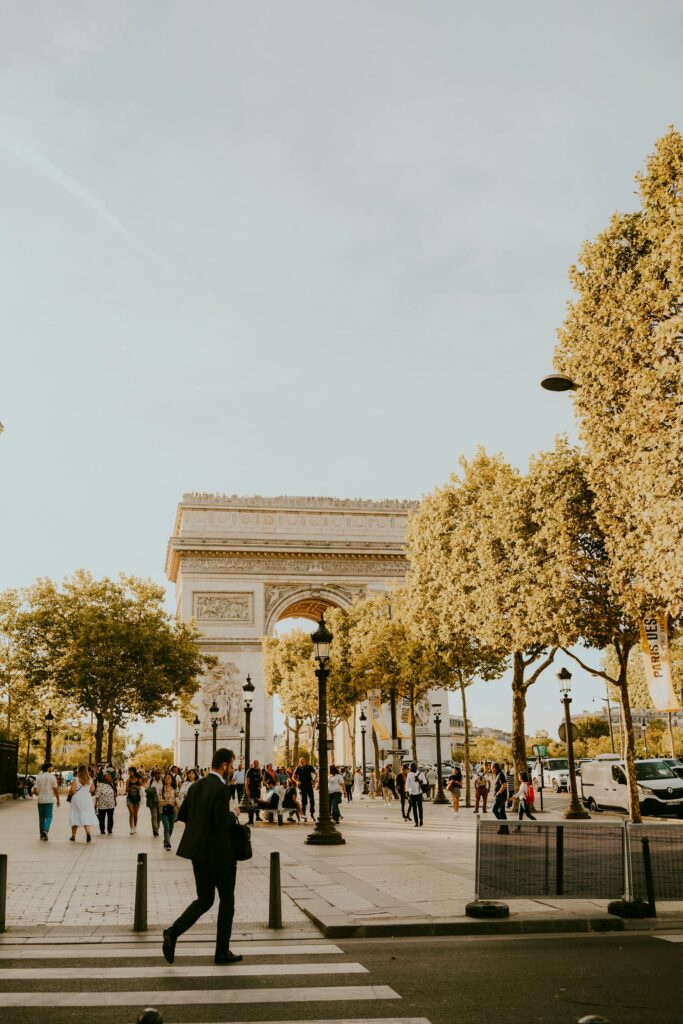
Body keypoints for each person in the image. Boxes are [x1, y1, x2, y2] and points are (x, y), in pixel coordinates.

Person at [163, 748, 242, 967]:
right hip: (220, 854)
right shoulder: (221, 788)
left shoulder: (196, 786)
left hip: (198, 852)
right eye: (231, 765)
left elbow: (184, 815)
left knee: (204, 899)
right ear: (224, 765)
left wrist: (201, 827)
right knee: (227, 901)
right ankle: (222, 952)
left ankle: (173, 932)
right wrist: (233, 814)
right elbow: (221, 822)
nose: (232, 770)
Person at [68, 764, 98, 843]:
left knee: (75, 815)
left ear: (79, 771)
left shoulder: (76, 779)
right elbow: (92, 790)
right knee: (86, 815)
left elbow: (72, 790)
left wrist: (70, 794)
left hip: (77, 798)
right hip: (87, 798)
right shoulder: (90, 779)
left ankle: (73, 836)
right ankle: (88, 834)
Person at [34, 762, 60, 841]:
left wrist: (39, 794)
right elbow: (55, 789)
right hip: (49, 800)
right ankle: (46, 830)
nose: (52, 769)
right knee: (49, 816)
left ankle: (42, 835)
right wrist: (58, 799)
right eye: (52, 767)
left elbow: (34, 790)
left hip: (40, 801)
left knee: (41, 818)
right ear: (48, 768)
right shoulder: (52, 777)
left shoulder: (38, 777)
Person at [293, 757, 317, 822]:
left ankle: (312, 814)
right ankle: (304, 816)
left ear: (305, 761)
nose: (301, 763)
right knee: (304, 802)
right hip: (302, 786)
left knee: (312, 800)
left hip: (309, 785)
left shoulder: (309, 767)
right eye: (300, 762)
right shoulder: (298, 768)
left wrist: (314, 780)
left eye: (302, 762)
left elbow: (316, 773)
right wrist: (297, 782)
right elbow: (293, 777)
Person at [160, 772, 179, 850]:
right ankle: (167, 844)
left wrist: (174, 804)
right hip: (163, 811)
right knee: (167, 827)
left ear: (172, 780)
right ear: (164, 779)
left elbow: (176, 801)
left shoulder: (174, 790)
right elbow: (160, 801)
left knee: (171, 828)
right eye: (166, 778)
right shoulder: (161, 789)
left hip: (172, 811)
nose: (167, 779)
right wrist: (168, 802)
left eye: (169, 778)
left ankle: (166, 840)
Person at [95, 771, 117, 835]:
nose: (110, 777)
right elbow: (97, 794)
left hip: (111, 804)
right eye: (108, 776)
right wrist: (96, 803)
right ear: (104, 777)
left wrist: (115, 801)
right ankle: (102, 830)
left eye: (110, 776)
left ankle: (109, 829)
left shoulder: (111, 784)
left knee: (110, 818)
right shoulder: (100, 784)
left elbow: (114, 793)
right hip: (102, 804)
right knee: (101, 818)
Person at [406, 762, 424, 827]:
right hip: (412, 793)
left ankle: (421, 819)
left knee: (420, 807)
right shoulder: (409, 774)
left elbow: (425, 782)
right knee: (414, 808)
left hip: (419, 793)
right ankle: (416, 822)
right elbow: (407, 784)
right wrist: (407, 792)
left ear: (415, 768)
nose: (411, 769)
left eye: (412, 768)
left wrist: (419, 780)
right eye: (411, 768)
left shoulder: (421, 773)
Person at [146, 769, 163, 837]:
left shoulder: (163, 781)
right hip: (152, 800)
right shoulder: (150, 781)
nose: (158, 774)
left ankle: (157, 828)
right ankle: (155, 830)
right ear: (154, 774)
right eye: (156, 773)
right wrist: (152, 789)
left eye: (159, 773)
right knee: (154, 816)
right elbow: (146, 790)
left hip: (161, 801)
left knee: (159, 816)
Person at [126, 769, 142, 834]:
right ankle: (131, 828)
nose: (129, 773)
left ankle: (135, 827)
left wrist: (138, 787)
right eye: (129, 772)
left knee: (135, 814)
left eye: (131, 772)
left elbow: (142, 787)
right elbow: (126, 790)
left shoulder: (139, 779)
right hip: (130, 798)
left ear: (134, 772)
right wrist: (132, 787)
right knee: (131, 813)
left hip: (137, 798)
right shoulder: (128, 780)